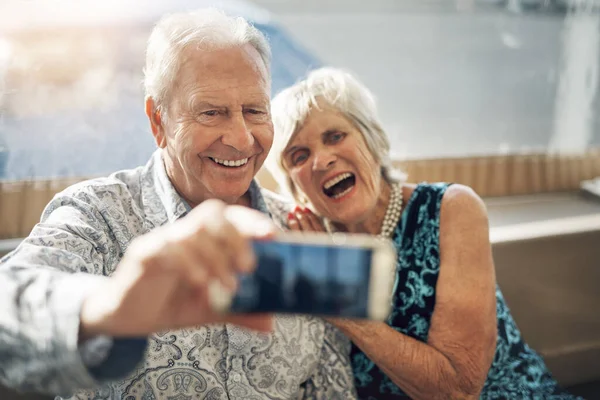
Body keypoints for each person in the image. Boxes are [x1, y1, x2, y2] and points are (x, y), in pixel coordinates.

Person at [0, 11, 357, 399]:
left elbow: (331, 389)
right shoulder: (96, 216)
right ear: (158, 120)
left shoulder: (299, 232)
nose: (241, 138)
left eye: (255, 111)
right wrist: (109, 306)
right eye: (210, 113)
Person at [265, 67, 582, 399]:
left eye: (334, 136)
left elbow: (458, 390)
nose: (322, 160)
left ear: (372, 140)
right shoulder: (305, 244)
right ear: (294, 186)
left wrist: (336, 303)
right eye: (299, 156)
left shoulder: (451, 208)